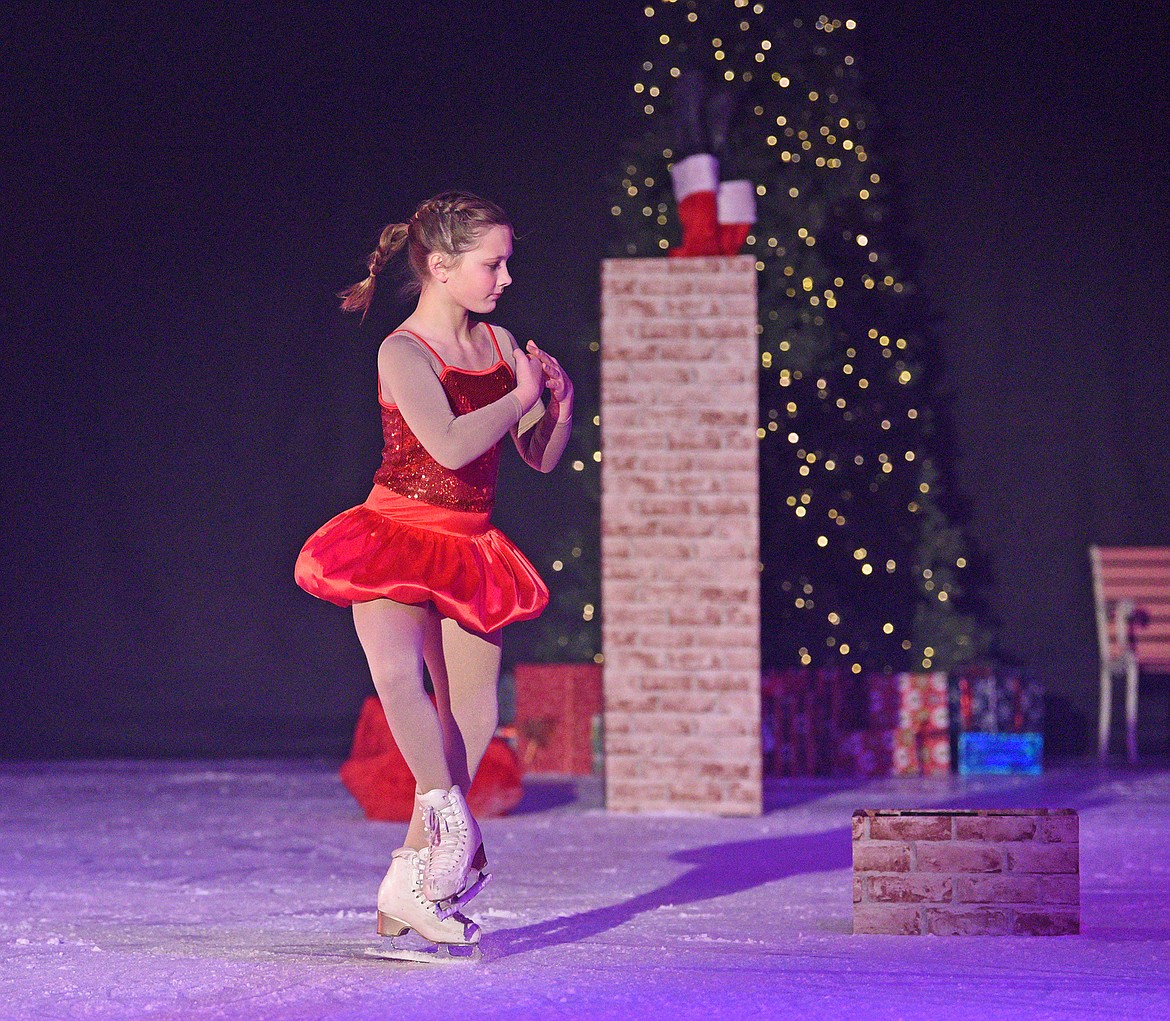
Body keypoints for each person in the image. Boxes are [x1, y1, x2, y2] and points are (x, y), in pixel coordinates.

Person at [294, 192, 573, 958]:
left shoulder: (500, 342)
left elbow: (535, 455)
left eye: (508, 261)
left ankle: (407, 886)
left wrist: (554, 408)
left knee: (475, 717)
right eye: (492, 263)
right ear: (442, 268)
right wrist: (518, 393)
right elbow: (448, 445)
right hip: (393, 534)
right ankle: (450, 838)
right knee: (397, 679)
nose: (506, 278)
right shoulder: (402, 351)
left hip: (468, 545)